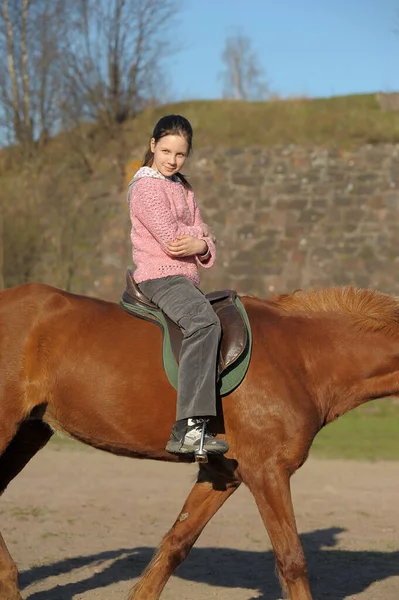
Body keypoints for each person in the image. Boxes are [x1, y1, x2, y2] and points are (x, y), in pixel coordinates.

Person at [127, 114, 229, 456]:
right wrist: (202, 240)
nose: (172, 160)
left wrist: (202, 243)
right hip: (159, 275)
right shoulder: (146, 187)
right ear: (153, 146)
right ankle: (188, 427)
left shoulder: (183, 187)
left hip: (184, 277)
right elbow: (172, 240)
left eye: (180, 154)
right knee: (204, 323)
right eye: (166, 151)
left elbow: (201, 235)